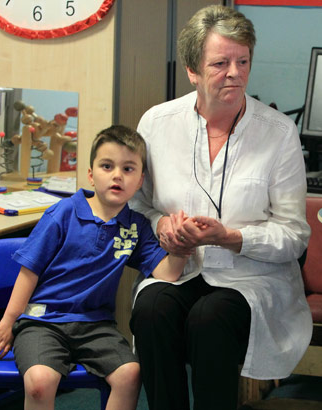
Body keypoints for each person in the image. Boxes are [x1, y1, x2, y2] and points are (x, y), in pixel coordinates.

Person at [129, 5, 312, 410]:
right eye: (220, 63)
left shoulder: (278, 133)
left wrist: (231, 238)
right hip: (179, 268)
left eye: (242, 61)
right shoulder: (157, 123)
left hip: (252, 278)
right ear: (192, 70)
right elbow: (137, 207)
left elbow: (295, 235)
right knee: (152, 309)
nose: (235, 72)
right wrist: (163, 227)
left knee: (209, 318)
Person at [0, 125, 189, 410]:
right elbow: (28, 271)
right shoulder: (64, 212)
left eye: (128, 169)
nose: (117, 175)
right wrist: (9, 322)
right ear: (92, 174)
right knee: (40, 381)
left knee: (130, 374)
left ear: (140, 180)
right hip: (42, 323)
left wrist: (181, 248)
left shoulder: (136, 226)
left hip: (96, 326)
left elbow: (167, 273)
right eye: (107, 166)